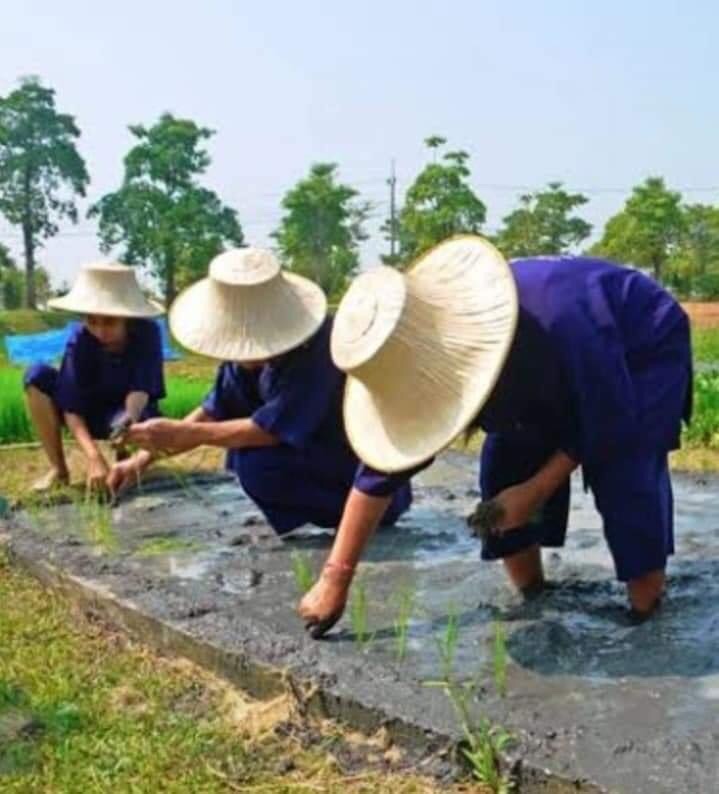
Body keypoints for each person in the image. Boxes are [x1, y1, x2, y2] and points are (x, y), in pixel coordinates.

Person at [298, 235, 692, 636]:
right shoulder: (425, 357)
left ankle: (649, 611)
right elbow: (379, 474)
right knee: (504, 467)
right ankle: (536, 595)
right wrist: (335, 578)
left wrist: (536, 491)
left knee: (625, 475)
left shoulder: (560, 318)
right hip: (544, 363)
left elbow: (606, 415)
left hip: (637, 346)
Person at [107, 247, 412, 536]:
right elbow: (213, 412)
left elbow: (271, 431)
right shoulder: (241, 362)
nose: (243, 354)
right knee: (238, 456)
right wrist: (141, 460)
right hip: (309, 466)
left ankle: (352, 527)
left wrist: (191, 435)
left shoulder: (322, 348)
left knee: (253, 463)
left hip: (365, 485)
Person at [24, 262, 166, 492]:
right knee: (36, 375)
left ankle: (127, 462)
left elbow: (140, 389)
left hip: (126, 411)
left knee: (141, 417)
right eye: (92, 321)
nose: (100, 331)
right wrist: (93, 456)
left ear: (126, 319)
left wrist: (128, 419)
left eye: (109, 322)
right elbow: (71, 404)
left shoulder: (147, 333)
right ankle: (58, 470)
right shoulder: (80, 338)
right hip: (89, 409)